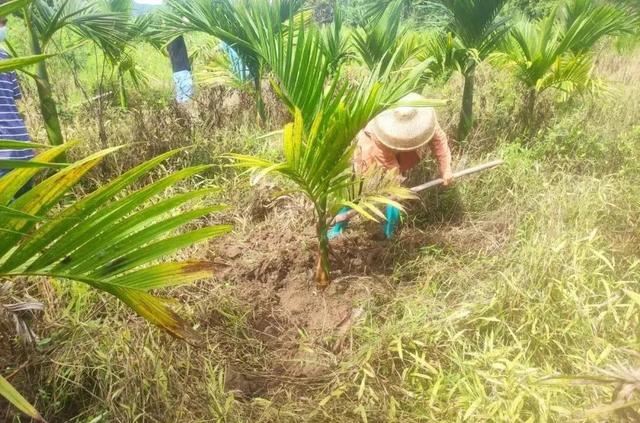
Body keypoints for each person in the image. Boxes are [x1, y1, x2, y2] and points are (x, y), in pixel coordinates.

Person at [329, 92, 454, 239]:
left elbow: (438, 140)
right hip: (371, 147)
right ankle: (337, 228)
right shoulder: (382, 128)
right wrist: (395, 185)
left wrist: (446, 169)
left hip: (399, 151)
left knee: (394, 194)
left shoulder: (424, 118)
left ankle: (388, 233)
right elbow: (389, 165)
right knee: (359, 189)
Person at [0, 12, 35, 185]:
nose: (3, 26)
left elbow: (12, 101)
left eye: (4, 22)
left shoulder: (6, 58)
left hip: (14, 150)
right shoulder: (6, 58)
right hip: (12, 152)